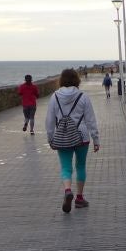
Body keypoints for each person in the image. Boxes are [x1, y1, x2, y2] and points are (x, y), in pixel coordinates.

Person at [45, 68, 100, 212]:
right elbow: (90, 119)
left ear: (61, 80)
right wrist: (96, 138)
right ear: (77, 80)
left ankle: (68, 190)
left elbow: (49, 121)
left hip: (63, 137)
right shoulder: (83, 96)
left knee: (66, 167)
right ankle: (80, 198)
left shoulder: (55, 97)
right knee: (80, 166)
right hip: (82, 136)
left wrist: (51, 138)